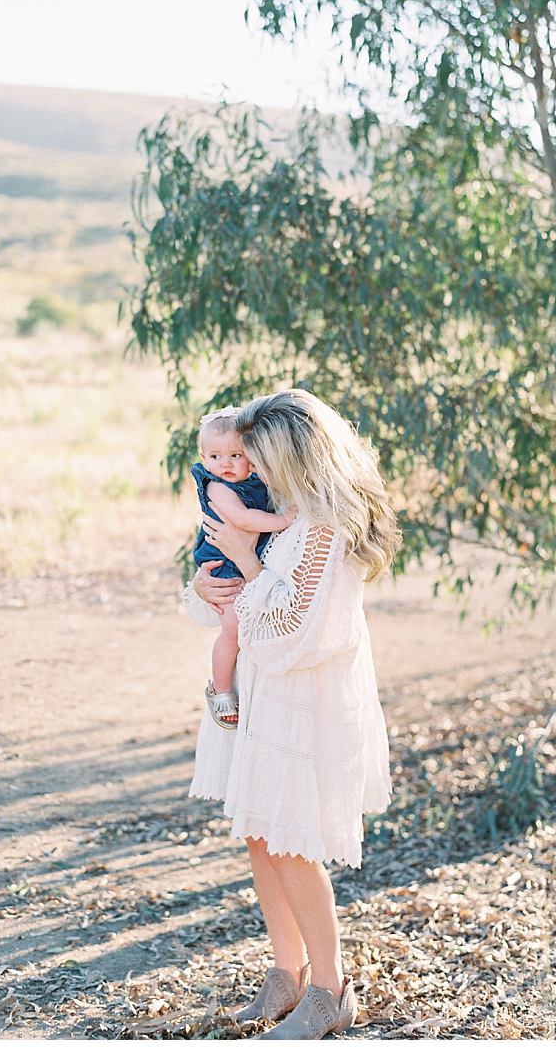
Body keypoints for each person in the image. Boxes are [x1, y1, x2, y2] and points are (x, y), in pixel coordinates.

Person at [182, 388, 399, 1040]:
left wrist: (248, 563)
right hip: (260, 693)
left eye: (264, 457)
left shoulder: (327, 524)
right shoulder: (281, 506)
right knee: (259, 832)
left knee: (290, 841)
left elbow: (293, 629)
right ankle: (287, 970)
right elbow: (237, 598)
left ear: (299, 453)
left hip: (301, 698)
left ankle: (330, 988)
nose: (255, 470)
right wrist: (203, 588)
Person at [191, 406, 298, 729]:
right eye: (215, 456)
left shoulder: (255, 482)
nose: (225, 464)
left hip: (242, 561)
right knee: (233, 628)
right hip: (224, 564)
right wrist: (281, 521)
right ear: (203, 457)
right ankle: (221, 688)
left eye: (235, 455)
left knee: (240, 625)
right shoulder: (218, 487)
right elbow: (241, 519)